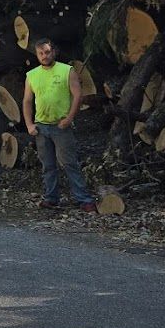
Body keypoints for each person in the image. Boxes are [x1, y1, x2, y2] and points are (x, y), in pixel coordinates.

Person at [22, 39, 96, 211]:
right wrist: (29, 124)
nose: (44, 56)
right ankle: (51, 198)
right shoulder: (31, 75)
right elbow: (26, 101)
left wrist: (69, 118)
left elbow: (78, 95)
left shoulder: (66, 70)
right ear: (37, 54)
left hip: (60, 126)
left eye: (47, 52)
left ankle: (83, 199)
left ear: (53, 52)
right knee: (48, 165)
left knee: (69, 163)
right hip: (41, 127)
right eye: (40, 53)